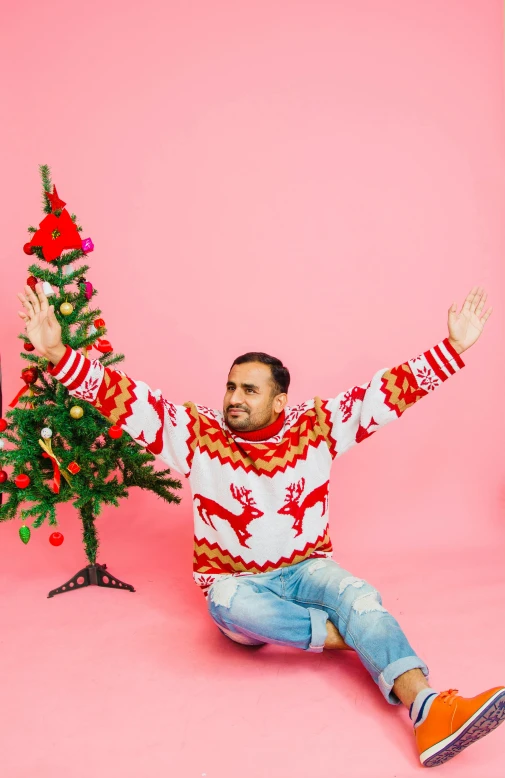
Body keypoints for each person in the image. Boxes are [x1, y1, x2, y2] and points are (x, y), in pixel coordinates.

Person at [17, 282, 504, 768]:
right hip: (239, 584)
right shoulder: (197, 434)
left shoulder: (317, 427)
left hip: (306, 568)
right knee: (226, 603)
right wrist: (59, 354)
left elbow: (382, 396)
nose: (234, 398)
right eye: (231, 386)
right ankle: (355, 635)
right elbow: (127, 399)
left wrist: (453, 348)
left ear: (278, 400)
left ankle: (429, 708)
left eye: (250, 390)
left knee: (357, 593)